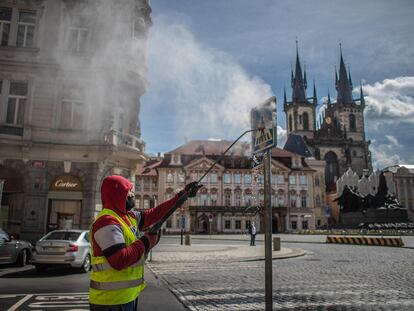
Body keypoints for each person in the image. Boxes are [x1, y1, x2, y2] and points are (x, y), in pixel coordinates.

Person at [89, 175, 201, 310]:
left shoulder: (127, 216)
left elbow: (154, 213)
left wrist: (182, 196)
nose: (132, 194)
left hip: (127, 296)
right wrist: (146, 242)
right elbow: (119, 259)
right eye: (129, 191)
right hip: (109, 301)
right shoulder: (106, 221)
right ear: (118, 194)